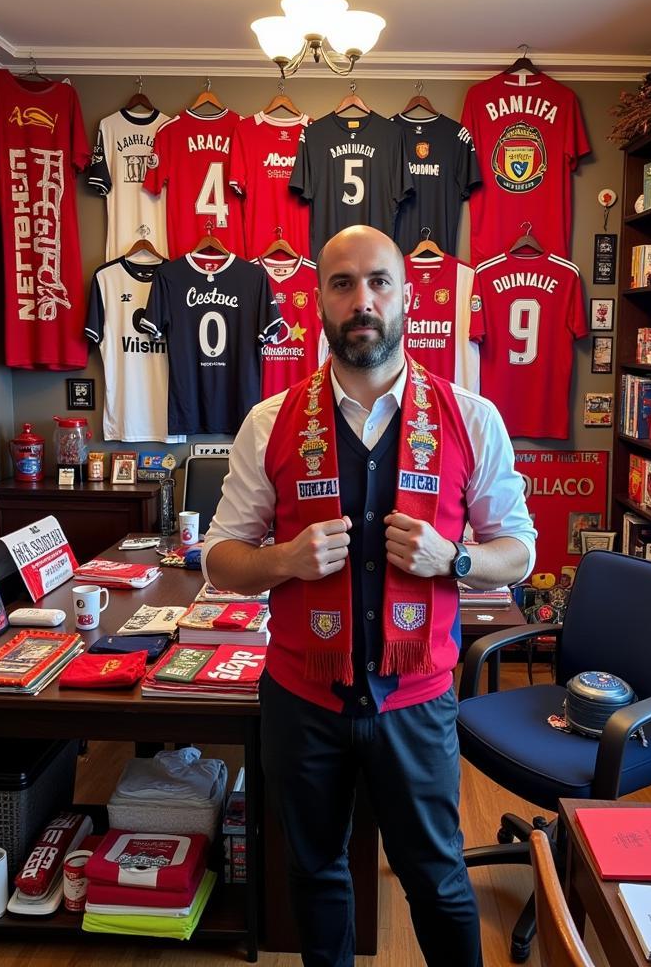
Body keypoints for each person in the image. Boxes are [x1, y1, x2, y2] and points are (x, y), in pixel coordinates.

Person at [203, 225, 536, 967]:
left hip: (416, 702)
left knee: (438, 881)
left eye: (379, 282)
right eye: (343, 283)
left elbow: (520, 551)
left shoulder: (471, 419)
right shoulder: (269, 423)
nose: (363, 300)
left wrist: (454, 558)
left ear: (407, 298)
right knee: (315, 877)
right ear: (316, 299)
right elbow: (221, 559)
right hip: (302, 700)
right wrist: (284, 559)